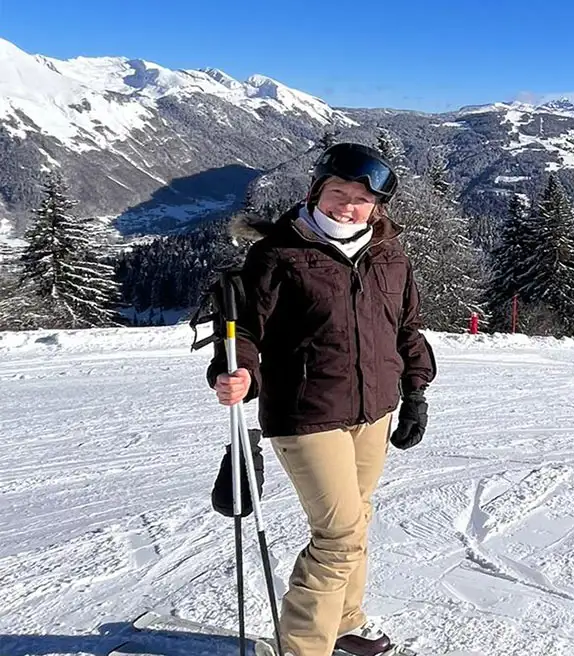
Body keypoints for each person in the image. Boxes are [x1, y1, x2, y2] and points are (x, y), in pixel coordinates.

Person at [207, 142, 436, 656]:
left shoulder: (388, 254)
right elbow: (245, 332)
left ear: (377, 206)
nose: (347, 207)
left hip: (374, 410)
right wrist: (238, 372)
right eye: (338, 193)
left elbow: (406, 329)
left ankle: (346, 620)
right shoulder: (278, 254)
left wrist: (415, 391)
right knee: (338, 536)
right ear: (316, 192)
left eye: (361, 199)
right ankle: (302, 648)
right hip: (306, 413)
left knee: (358, 517)